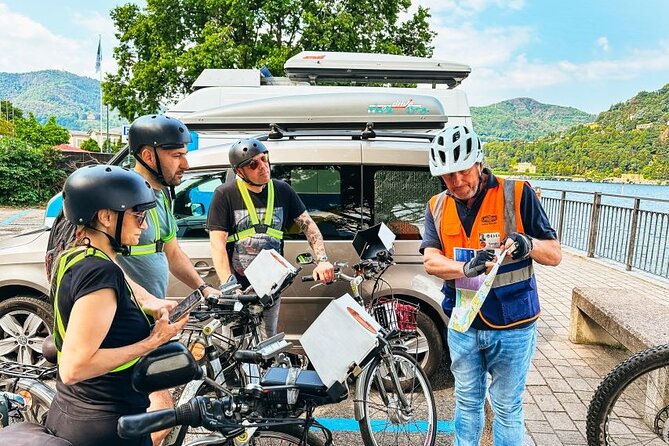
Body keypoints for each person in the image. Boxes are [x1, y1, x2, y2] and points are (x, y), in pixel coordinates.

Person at [421, 125, 562, 446]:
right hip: (462, 324)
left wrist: (528, 244)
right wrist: (462, 267)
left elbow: (554, 254)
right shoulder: (436, 206)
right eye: (447, 176)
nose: (457, 182)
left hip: (513, 325)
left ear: (479, 163)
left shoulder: (518, 193)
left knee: (507, 407)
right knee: (467, 402)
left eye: (462, 171)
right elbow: (430, 261)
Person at [44, 165, 189, 446]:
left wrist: (152, 307)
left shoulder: (76, 256)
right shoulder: (100, 272)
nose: (144, 225)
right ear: (107, 217)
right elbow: (75, 367)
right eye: (138, 215)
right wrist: (153, 341)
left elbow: (126, 297)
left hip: (73, 413)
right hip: (106, 428)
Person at [118, 114, 219, 445]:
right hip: (126, 323)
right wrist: (146, 300)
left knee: (158, 417)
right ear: (149, 156)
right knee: (157, 419)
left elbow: (173, 253)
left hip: (152, 321)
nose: (186, 163)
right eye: (177, 155)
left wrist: (203, 288)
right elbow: (101, 260)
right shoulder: (123, 200)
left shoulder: (160, 196)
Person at [207, 138, 335, 337]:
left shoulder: (282, 190)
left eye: (264, 159)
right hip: (238, 288)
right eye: (253, 164)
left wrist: (323, 261)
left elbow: (309, 226)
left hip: (270, 286)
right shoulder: (225, 194)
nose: (263, 167)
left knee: (268, 341)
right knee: (236, 345)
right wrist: (229, 286)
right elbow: (217, 244)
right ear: (239, 171)